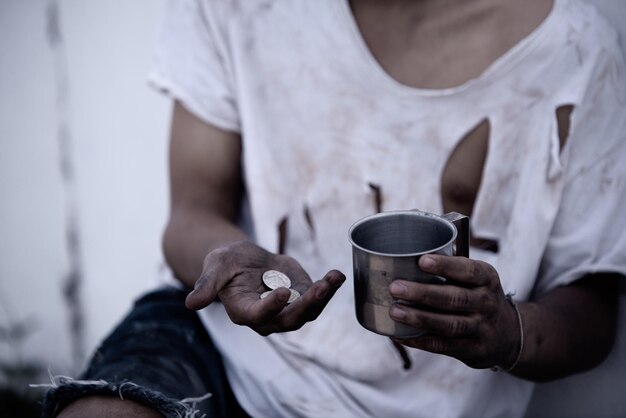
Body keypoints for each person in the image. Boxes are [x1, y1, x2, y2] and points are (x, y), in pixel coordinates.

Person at [44, 0, 626, 417]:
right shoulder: (235, 10)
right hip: (224, 354)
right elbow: (190, 211)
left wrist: (509, 332)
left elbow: (593, 309)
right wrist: (228, 262)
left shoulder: (575, 49)